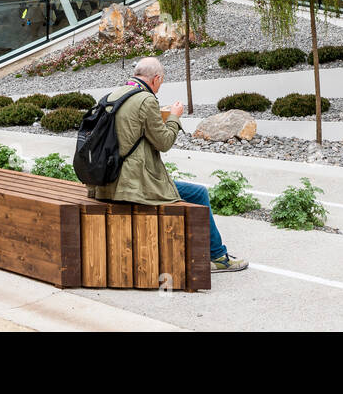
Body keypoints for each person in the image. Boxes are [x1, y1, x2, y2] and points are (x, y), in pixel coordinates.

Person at [88, 56, 247, 273]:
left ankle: (213, 254)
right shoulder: (145, 100)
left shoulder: (112, 96)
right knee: (199, 194)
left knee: (187, 190)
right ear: (156, 78)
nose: (160, 86)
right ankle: (218, 256)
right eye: (161, 82)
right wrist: (174, 116)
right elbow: (163, 142)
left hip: (104, 181)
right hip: (132, 186)